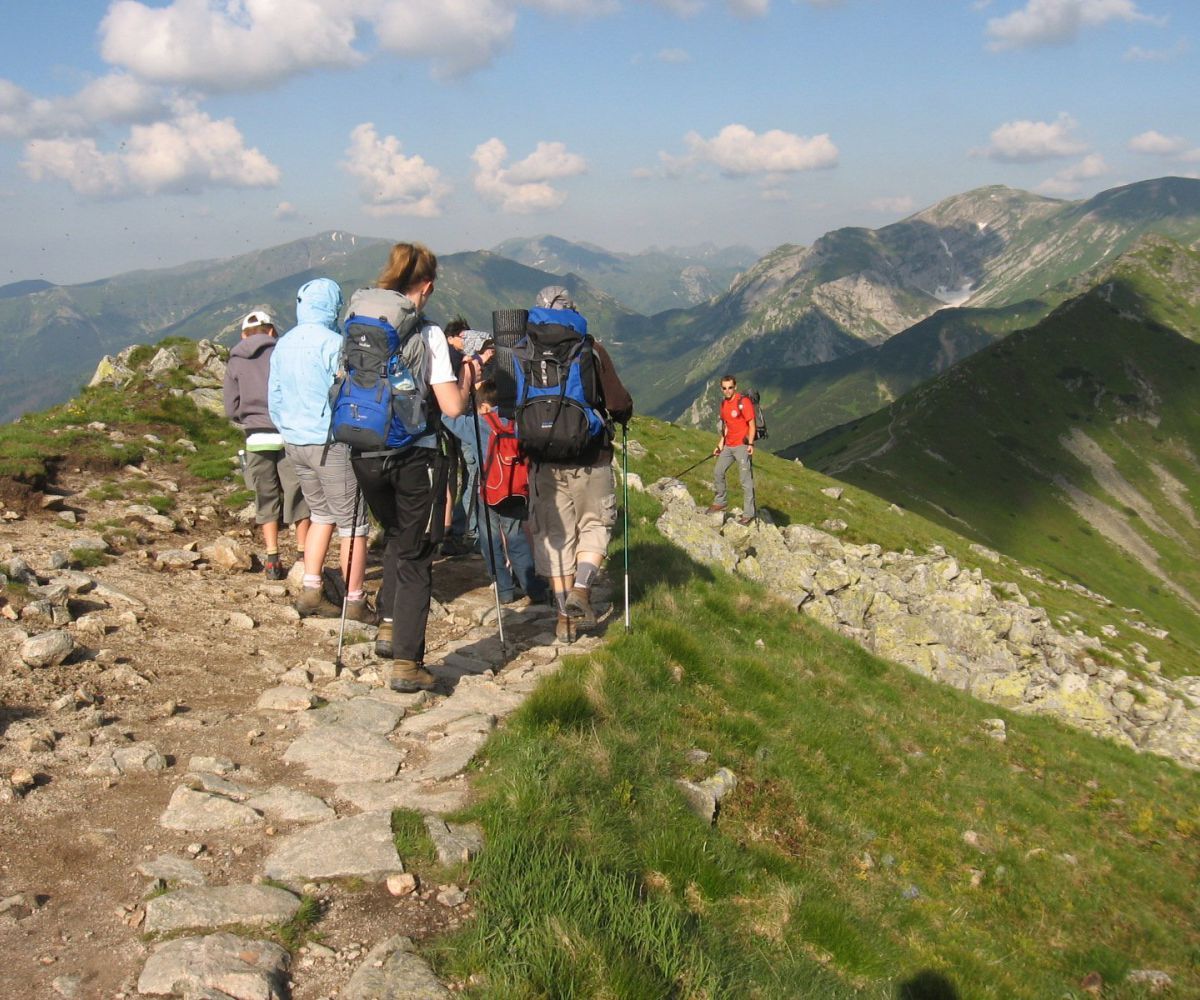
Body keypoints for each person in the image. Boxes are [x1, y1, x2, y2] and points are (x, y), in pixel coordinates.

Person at [348, 242, 486, 692]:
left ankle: (389, 626)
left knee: (396, 536)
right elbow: (452, 407)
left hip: (363, 451)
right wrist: (468, 377)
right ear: (425, 286)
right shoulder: (428, 335)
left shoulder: (358, 324)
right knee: (416, 554)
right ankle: (407, 665)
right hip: (414, 456)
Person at [523, 285, 633, 642]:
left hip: (542, 460)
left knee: (556, 537)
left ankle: (563, 618)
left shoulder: (523, 349)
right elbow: (617, 403)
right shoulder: (590, 348)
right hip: (590, 457)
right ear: (573, 311)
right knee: (594, 524)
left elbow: (510, 405)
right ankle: (582, 590)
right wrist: (623, 414)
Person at [267, 278, 372, 620]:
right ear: (333, 307)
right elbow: (349, 393)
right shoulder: (334, 343)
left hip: (295, 442)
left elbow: (275, 398)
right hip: (330, 443)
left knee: (320, 515)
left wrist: (288, 430)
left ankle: (311, 590)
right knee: (353, 524)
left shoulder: (283, 344)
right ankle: (355, 601)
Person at [223, 310, 311, 579]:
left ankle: (272, 559)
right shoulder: (283, 352)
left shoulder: (235, 361)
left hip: (256, 437)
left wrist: (249, 419)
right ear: (271, 330)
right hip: (287, 434)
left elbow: (231, 408)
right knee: (297, 493)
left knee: (265, 495)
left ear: (243, 335)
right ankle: (303, 555)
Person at [475, 379, 549, 606]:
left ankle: (505, 590)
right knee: (516, 538)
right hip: (517, 490)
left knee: (490, 540)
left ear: (484, 406)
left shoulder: (480, 424)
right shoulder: (521, 422)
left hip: (489, 492)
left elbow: (449, 417)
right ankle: (534, 589)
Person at [439, 317, 481, 556]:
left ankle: (449, 529)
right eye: (463, 337)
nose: (466, 342)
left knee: (451, 475)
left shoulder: (441, 356)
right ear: (451, 337)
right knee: (469, 474)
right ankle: (464, 531)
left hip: (442, 425)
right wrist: (472, 367)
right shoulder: (455, 359)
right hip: (457, 422)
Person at [708, 374, 756, 526]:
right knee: (718, 471)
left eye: (730, 387)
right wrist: (720, 445)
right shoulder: (724, 404)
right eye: (724, 388)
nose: (727, 391)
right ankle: (720, 502)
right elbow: (727, 427)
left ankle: (749, 514)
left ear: (735, 387)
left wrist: (750, 444)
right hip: (729, 445)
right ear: (721, 389)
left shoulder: (743, 402)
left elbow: (752, 424)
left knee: (745, 481)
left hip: (742, 446)